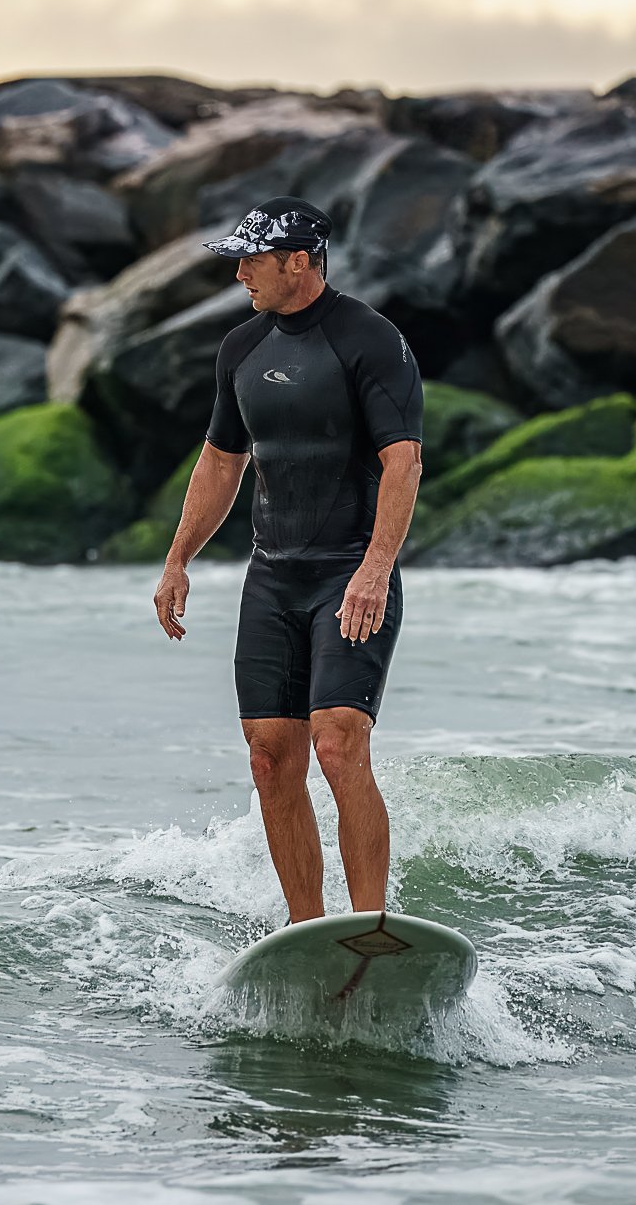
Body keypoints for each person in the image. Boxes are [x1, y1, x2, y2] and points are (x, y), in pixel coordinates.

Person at [151, 196, 423, 924]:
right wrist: (178, 559)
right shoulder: (240, 349)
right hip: (273, 575)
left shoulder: (370, 340)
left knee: (338, 743)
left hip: (348, 573)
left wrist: (374, 569)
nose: (240, 272)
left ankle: (371, 927)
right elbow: (219, 462)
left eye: (252, 258)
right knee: (270, 758)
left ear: (297, 261)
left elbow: (404, 463)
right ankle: (307, 931)